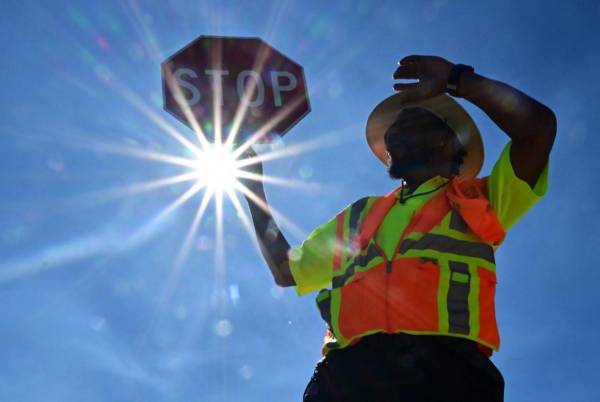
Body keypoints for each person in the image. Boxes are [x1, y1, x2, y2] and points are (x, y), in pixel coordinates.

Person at [240, 55, 556, 402]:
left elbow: (537, 128)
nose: (390, 135)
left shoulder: (482, 200)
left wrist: (457, 79)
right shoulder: (359, 215)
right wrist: (253, 190)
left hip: (449, 378)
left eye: (406, 124)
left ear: (445, 141)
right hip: (347, 380)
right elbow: (288, 271)